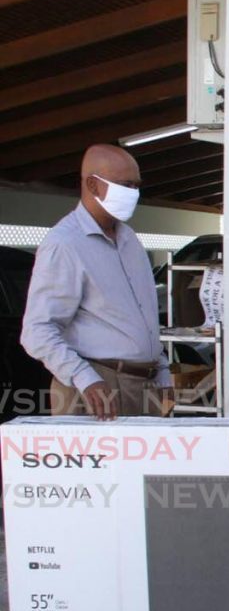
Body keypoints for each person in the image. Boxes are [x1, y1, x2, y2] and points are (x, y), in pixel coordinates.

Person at [21, 145, 171, 420]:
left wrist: (162, 373)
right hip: (96, 387)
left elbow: (143, 314)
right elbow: (37, 330)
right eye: (125, 185)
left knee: (146, 465)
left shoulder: (130, 241)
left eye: (137, 186)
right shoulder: (65, 244)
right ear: (93, 184)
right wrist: (84, 377)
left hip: (143, 383)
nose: (133, 194)